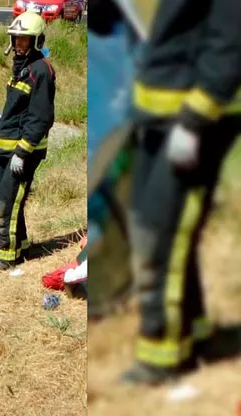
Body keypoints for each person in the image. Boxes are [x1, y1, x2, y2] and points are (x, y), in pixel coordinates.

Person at [116, 0, 241, 385]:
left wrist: (196, 118)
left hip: (193, 120)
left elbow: (230, 40)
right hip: (161, 116)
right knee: (154, 226)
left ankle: (161, 357)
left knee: (162, 235)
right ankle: (193, 334)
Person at [0, 11, 56, 271]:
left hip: (24, 151)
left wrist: (22, 152)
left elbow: (41, 118)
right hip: (9, 149)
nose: (18, 44)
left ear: (37, 41)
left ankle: (7, 257)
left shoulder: (41, 71)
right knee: (7, 198)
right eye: (16, 38)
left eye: (24, 40)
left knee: (7, 202)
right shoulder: (22, 67)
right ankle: (23, 246)